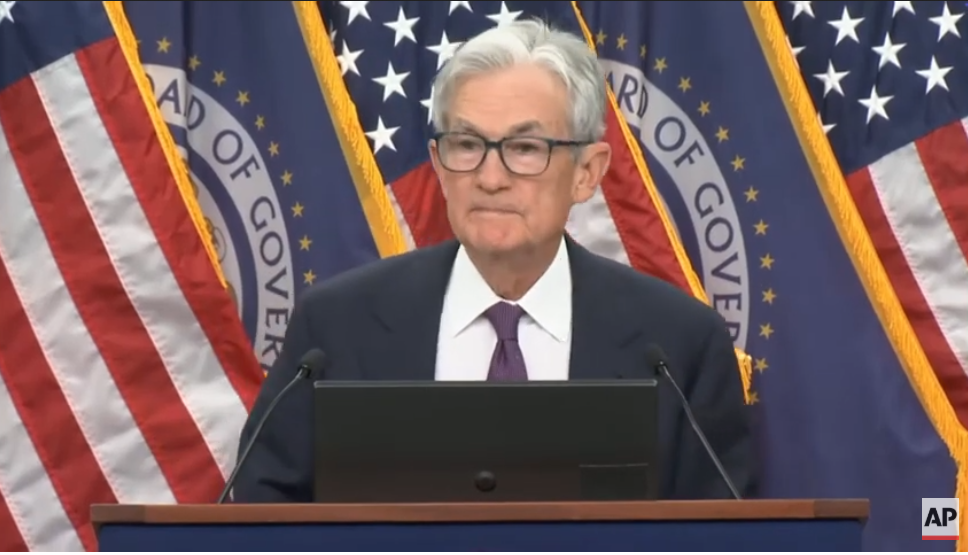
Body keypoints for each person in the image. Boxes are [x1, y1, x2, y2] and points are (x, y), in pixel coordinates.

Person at [231, 18, 756, 503]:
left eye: (525, 148)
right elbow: (262, 517)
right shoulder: (335, 329)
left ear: (587, 173)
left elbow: (719, 537)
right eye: (466, 145)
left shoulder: (678, 345)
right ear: (438, 165)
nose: (490, 177)